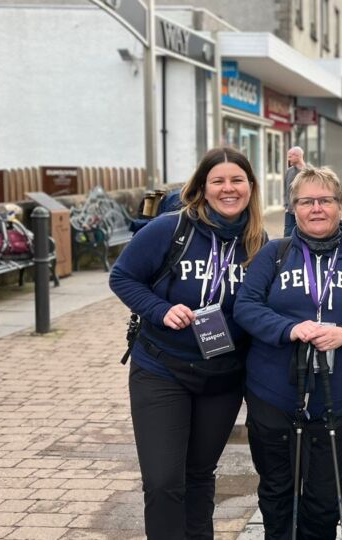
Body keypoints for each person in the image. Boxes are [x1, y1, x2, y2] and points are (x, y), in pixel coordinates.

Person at [109, 147, 266, 539]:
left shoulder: (257, 240)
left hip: (223, 376)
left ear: (250, 187)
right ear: (202, 186)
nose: (228, 189)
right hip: (162, 369)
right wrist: (160, 309)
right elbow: (122, 277)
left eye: (237, 180)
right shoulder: (169, 228)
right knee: (163, 482)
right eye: (218, 181)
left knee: (199, 476)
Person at [234, 166, 342, 540]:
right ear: (293, 207)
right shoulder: (274, 254)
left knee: (324, 502)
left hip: (333, 399)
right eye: (306, 201)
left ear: (340, 205)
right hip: (273, 395)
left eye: (326, 200)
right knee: (278, 495)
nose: (317, 208)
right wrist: (288, 329)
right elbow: (246, 307)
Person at [283, 146, 306, 237]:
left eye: (290, 156)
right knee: (287, 236)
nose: (288, 159)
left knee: (303, 235)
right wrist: (286, 206)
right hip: (289, 212)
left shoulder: (308, 172)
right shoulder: (288, 171)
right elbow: (285, 190)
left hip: (303, 212)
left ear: (297, 156)